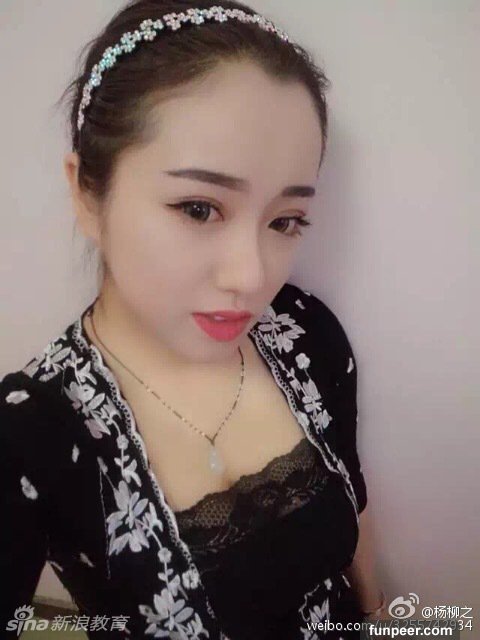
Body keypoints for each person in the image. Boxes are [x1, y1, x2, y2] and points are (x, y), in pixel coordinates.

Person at [0, 1, 389, 638]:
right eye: (199, 209)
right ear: (86, 194)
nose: (252, 278)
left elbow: (355, 503)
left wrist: (380, 619)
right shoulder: (30, 432)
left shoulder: (304, 332)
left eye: (285, 220)